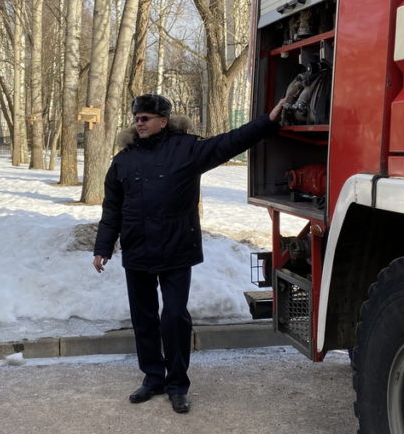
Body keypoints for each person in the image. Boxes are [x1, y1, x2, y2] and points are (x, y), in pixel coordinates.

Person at [93, 93, 286, 414]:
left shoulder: (187, 149)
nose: (138, 123)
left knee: (173, 317)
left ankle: (177, 384)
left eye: (145, 118)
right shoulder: (123, 161)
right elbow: (112, 208)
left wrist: (267, 122)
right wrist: (103, 247)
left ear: (163, 121)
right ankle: (153, 377)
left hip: (176, 248)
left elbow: (230, 142)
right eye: (136, 118)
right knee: (143, 319)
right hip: (137, 250)